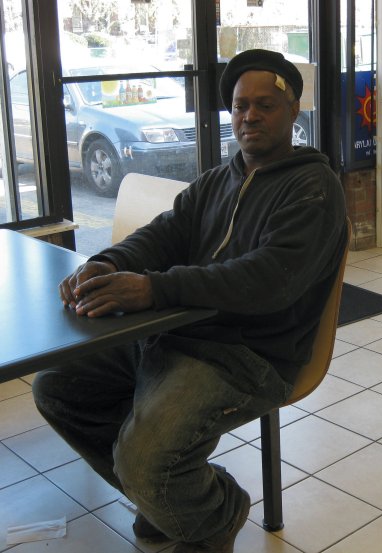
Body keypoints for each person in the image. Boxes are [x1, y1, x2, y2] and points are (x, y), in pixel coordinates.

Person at [33, 49, 347, 553]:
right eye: (241, 106)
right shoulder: (218, 181)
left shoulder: (313, 187)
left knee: (144, 460)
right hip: (177, 333)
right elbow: (162, 235)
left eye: (265, 105)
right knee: (58, 387)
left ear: (293, 111)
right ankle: (169, 501)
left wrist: (154, 289)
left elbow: (267, 280)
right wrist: (110, 263)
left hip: (249, 356)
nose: (250, 116)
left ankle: (212, 515)